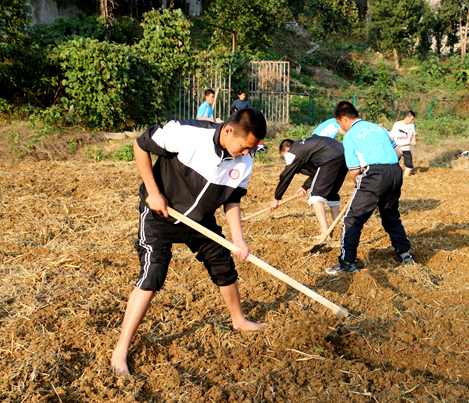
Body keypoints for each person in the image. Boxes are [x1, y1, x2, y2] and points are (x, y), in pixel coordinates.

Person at [111, 108, 268, 375]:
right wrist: (153, 192)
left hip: (200, 221)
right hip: (161, 214)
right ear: (228, 131)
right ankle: (121, 349)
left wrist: (238, 240)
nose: (245, 154)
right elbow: (140, 145)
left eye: (250, 150)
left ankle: (238, 320)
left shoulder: (245, 161)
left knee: (223, 264)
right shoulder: (187, 133)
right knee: (153, 274)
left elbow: (232, 201)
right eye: (243, 147)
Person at [326, 101, 413, 274]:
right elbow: (399, 153)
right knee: (390, 215)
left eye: (338, 122)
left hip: (375, 174)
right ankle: (405, 254)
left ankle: (347, 263)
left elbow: (354, 169)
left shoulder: (350, 135)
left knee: (352, 220)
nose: (339, 126)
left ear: (344, 118)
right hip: (396, 172)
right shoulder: (379, 128)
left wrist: (358, 184)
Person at [269, 136, 348, 238]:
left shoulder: (293, 151)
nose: (285, 159)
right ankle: (338, 229)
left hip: (329, 158)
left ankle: (325, 233)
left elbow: (286, 175)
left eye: (284, 156)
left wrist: (277, 198)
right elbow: (318, 172)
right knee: (331, 193)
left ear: (286, 150)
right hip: (344, 155)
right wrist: (304, 187)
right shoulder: (306, 146)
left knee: (315, 195)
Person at [390, 111, 417, 178]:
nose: (412, 121)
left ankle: (406, 177)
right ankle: (392, 176)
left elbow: (414, 134)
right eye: (411, 119)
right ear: (407, 117)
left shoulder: (412, 125)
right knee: (393, 162)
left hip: (406, 148)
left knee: (409, 164)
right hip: (397, 148)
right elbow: (392, 136)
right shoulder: (397, 124)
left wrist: (413, 139)